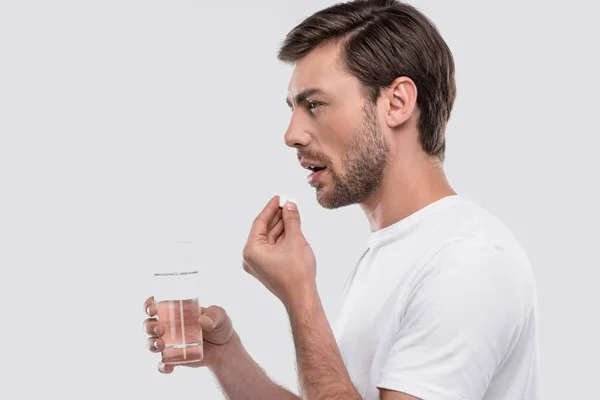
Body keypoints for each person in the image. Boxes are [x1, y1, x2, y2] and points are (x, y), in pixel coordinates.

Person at [142, 1, 539, 398]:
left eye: (314, 105)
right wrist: (226, 356)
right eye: (294, 108)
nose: (291, 134)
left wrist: (301, 298)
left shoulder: (467, 262)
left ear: (397, 103)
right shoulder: (401, 250)